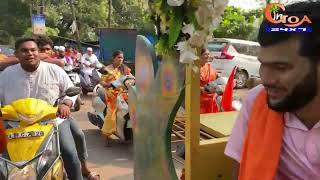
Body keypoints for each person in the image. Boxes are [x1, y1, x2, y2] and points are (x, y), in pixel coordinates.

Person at [224, 2, 320, 180]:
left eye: (281, 67)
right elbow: (240, 170)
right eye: (263, 64)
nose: (266, 79)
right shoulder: (257, 102)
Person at [0, 38, 99, 180]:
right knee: (4, 161)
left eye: (33, 50)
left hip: (52, 122)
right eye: (24, 51)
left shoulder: (54, 70)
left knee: (70, 153)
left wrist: (66, 103)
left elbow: (71, 90)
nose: (30, 54)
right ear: (16, 54)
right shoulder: (6, 75)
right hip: (15, 125)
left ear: (38, 52)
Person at [99, 50, 131, 145]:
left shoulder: (124, 68)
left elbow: (131, 77)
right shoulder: (107, 69)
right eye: (119, 57)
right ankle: (105, 136)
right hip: (111, 94)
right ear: (114, 58)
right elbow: (102, 82)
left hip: (124, 92)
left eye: (122, 57)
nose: (121, 59)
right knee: (111, 114)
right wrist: (108, 85)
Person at [0, 36, 64, 71]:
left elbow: (60, 63)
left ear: (52, 52)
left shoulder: (56, 65)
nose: (45, 52)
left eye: (47, 49)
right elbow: (2, 64)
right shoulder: (22, 57)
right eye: (41, 49)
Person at [199, 48, 219, 113]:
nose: (208, 56)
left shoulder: (209, 67)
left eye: (208, 54)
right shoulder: (194, 68)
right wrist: (202, 89)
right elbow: (190, 85)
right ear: (199, 56)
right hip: (199, 101)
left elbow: (217, 77)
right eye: (205, 54)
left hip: (211, 99)